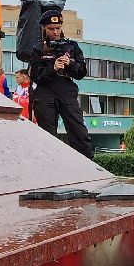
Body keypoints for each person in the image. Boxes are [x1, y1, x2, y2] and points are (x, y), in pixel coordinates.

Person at [29, 9, 93, 158]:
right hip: (45, 96)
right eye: (51, 29)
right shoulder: (38, 48)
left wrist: (70, 63)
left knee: (79, 132)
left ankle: (87, 165)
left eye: (58, 28)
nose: (55, 32)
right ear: (44, 28)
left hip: (67, 93)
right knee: (47, 136)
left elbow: (82, 72)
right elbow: (34, 75)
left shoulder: (72, 46)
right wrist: (53, 68)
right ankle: (49, 167)